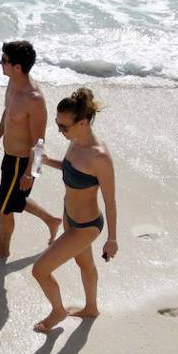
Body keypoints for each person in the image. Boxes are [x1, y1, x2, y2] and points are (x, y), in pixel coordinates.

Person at [31, 88, 117, 332]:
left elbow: (110, 200)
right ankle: (91, 308)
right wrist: (47, 161)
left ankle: (58, 312)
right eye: (58, 125)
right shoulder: (75, 141)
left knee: (40, 270)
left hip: (86, 227)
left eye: (64, 127)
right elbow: (72, 169)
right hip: (70, 218)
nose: (61, 131)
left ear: (82, 122)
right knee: (85, 265)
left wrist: (112, 239)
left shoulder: (100, 157)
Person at [0, 41, 61, 261]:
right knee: (14, 199)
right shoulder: (12, 83)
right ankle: (52, 221)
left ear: (17, 67)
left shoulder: (34, 99)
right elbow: (8, 112)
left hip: (22, 162)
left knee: (3, 208)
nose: (0, 63)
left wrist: (30, 173)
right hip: (9, 156)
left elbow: (39, 142)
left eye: (4, 60)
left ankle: (3, 249)